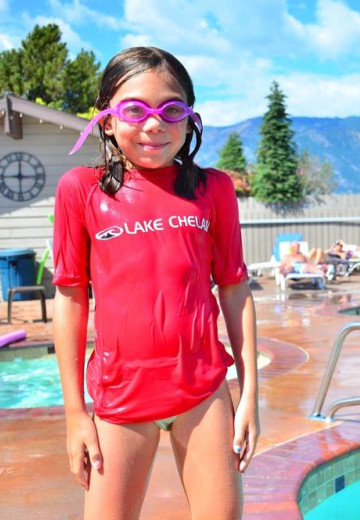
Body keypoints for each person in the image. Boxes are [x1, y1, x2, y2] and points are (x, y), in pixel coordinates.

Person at [53, 46, 259, 519]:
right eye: (134, 110)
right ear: (106, 120)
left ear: (190, 119)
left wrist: (248, 395)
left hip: (202, 395)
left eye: (170, 109)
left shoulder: (213, 189)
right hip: (120, 399)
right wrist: (74, 414)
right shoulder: (81, 190)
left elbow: (233, 288)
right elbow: (70, 299)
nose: (154, 123)